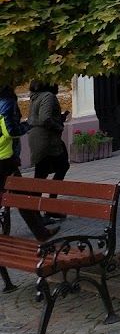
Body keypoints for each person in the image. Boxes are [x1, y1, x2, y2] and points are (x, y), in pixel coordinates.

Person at [0, 84, 57, 241]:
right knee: (21, 198)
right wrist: (26, 126)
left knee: (17, 197)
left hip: (5, 159)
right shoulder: (7, 101)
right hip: (5, 159)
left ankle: (38, 233)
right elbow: (11, 131)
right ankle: (40, 233)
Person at [28, 80, 71, 224]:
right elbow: (45, 118)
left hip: (41, 139)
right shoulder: (48, 96)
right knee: (45, 174)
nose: (58, 84)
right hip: (47, 141)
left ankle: (46, 208)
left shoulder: (36, 96)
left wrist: (60, 118)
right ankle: (39, 212)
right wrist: (58, 126)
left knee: (48, 172)